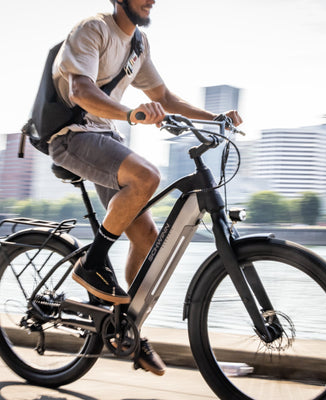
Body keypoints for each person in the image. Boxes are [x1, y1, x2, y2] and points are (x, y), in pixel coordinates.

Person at [48, 0, 242, 376]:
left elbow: (165, 99)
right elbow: (81, 91)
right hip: (72, 135)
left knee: (147, 237)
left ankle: (126, 329)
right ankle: (92, 263)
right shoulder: (93, 29)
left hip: (105, 136)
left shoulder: (138, 45)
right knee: (147, 176)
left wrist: (215, 118)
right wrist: (130, 113)